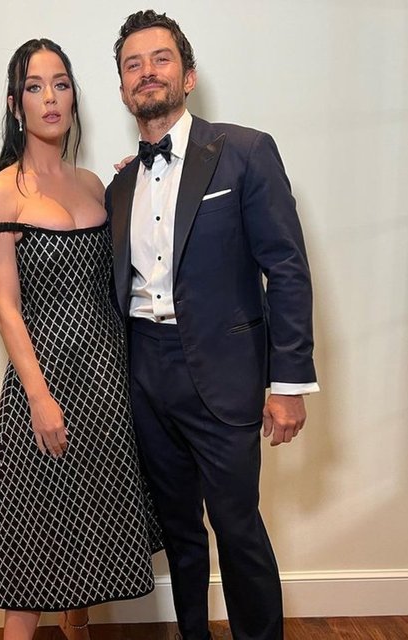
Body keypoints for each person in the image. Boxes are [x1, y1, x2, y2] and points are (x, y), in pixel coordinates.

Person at [106, 10, 319, 640]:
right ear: (123, 87)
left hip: (224, 373)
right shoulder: (121, 184)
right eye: (133, 64)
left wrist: (289, 383)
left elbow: (286, 267)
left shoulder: (246, 151)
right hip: (144, 373)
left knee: (237, 526)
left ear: (189, 74)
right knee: (178, 530)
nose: (147, 72)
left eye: (161, 59)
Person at [0, 38, 162, 640]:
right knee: (34, 553)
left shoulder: (94, 184)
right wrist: (39, 397)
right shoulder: (1, 191)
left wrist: (136, 185)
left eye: (60, 84)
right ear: (16, 104)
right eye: (34, 87)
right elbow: (7, 307)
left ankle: (76, 629)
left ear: (73, 97)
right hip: (46, 380)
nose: (50, 98)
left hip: (105, 380)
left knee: (90, 535)